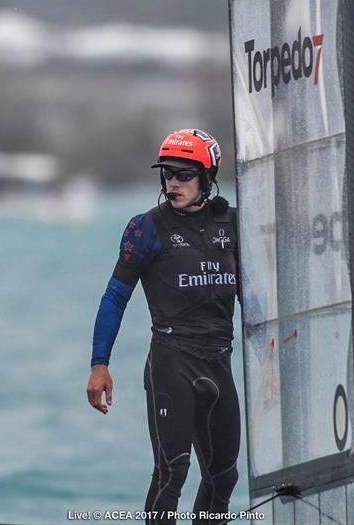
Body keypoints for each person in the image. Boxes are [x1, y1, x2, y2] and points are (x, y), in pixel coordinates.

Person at [86, 129, 241, 525]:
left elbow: (260, 292)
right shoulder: (146, 229)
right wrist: (99, 364)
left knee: (223, 477)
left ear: (207, 178)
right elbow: (114, 297)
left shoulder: (233, 223)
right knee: (173, 471)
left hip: (220, 362)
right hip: (172, 361)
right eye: (168, 174)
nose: (173, 182)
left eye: (184, 174)